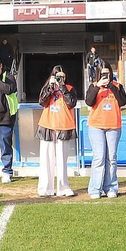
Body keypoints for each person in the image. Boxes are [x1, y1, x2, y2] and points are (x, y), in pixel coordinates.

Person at [36, 66, 79, 198]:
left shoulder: (70, 89)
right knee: (46, 160)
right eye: (58, 77)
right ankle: (45, 188)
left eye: (63, 77)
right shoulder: (48, 87)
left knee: (62, 160)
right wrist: (50, 88)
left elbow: (71, 103)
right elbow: (42, 102)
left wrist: (62, 87)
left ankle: (63, 187)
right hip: (48, 126)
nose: (60, 79)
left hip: (63, 126)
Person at [86, 66, 126, 199]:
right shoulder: (93, 86)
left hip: (114, 126)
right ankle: (95, 189)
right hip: (96, 125)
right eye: (103, 74)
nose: (105, 76)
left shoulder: (117, 86)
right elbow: (89, 101)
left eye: (107, 74)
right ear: (98, 74)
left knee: (112, 157)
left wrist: (112, 86)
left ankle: (111, 187)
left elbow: (123, 101)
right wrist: (98, 86)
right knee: (99, 157)